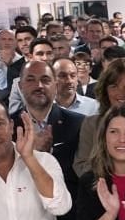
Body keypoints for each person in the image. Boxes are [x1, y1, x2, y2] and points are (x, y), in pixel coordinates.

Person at [14, 60, 85, 201]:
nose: (39, 86)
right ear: (20, 86)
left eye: (45, 80)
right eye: (30, 80)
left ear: (56, 86)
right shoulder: (8, 126)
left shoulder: (79, 123)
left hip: (66, 212)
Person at [74, 58, 125, 178]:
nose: (121, 93)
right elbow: (81, 166)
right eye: (114, 86)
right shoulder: (91, 124)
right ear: (105, 90)